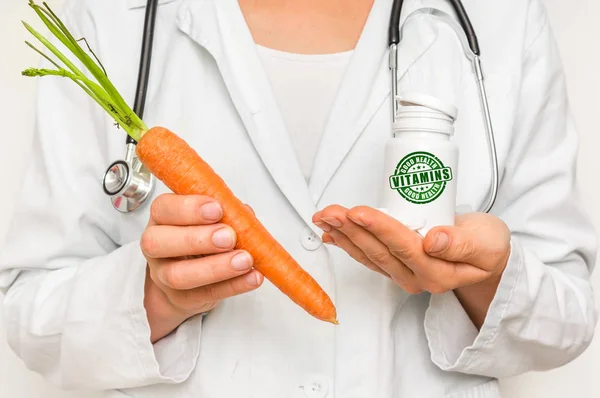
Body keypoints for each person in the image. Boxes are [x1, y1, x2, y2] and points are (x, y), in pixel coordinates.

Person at [0, 0, 597, 397]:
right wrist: (154, 296)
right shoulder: (111, 20)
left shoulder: (501, 20)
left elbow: (568, 316)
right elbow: (30, 315)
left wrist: (485, 278)